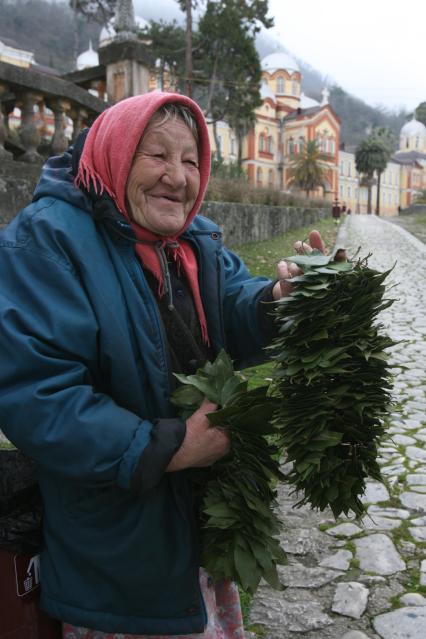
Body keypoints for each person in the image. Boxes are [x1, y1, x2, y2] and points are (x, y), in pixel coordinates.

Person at [0, 92, 325, 638]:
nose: (177, 176)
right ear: (115, 153)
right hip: (119, 542)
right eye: (156, 155)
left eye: (192, 160)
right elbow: (36, 395)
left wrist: (278, 297)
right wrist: (170, 448)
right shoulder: (49, 239)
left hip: (193, 522)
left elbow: (230, 303)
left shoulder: (192, 239)